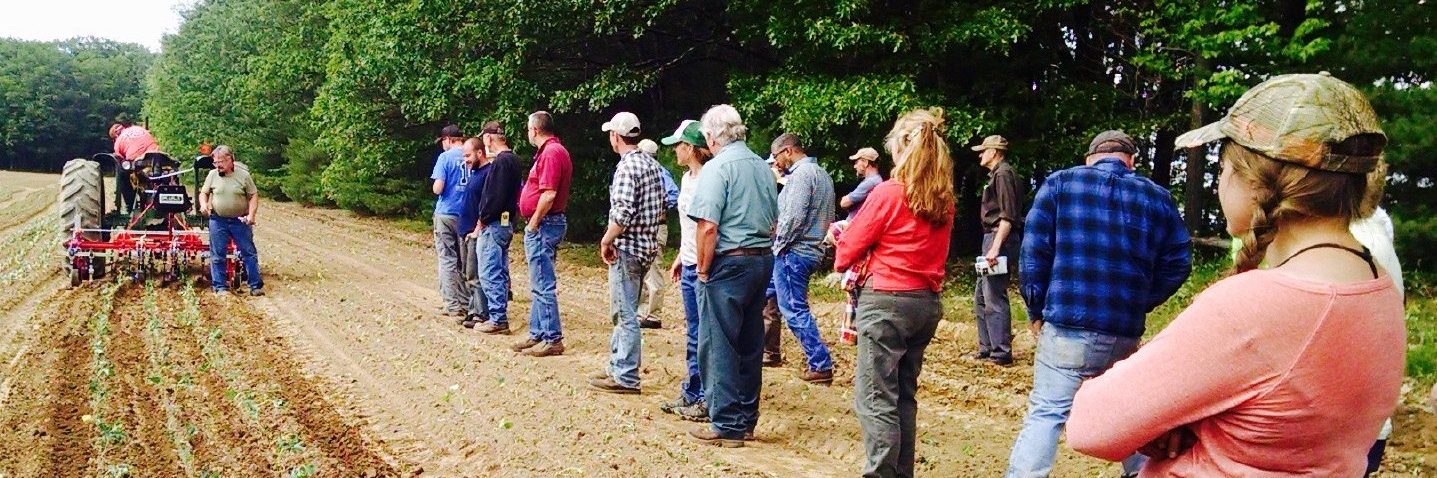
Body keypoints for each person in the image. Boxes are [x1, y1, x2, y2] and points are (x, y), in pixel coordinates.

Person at [1067, 73, 1405, 477]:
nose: (1218, 182)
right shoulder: (1377, 283)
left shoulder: (1257, 305)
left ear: (1256, 183)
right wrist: (1198, 420)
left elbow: (1090, 425)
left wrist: (1171, 422)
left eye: (1223, 167)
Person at [1005, 130, 1191, 478]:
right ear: (1131, 161)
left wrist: (1035, 310)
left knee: (1047, 414)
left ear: (1090, 158)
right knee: (1127, 414)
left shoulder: (1060, 184)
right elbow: (1179, 263)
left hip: (1066, 327)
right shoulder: (1158, 198)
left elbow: (1033, 255)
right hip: (1123, 331)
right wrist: (1141, 300)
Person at [834, 108, 955, 478]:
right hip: (926, 302)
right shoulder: (943, 200)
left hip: (886, 301)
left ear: (903, 147)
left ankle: (880, 473)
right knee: (904, 395)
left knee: (875, 396)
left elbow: (847, 250)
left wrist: (841, 240)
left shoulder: (889, 193)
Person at [685, 104, 777, 447]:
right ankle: (747, 418)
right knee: (751, 342)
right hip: (762, 260)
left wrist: (704, 270)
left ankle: (726, 423)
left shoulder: (717, 168)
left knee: (718, 343)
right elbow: (773, 221)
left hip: (728, 263)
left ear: (711, 135)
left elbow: (708, 227)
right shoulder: (762, 167)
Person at [589, 112, 668, 394]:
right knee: (626, 311)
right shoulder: (651, 164)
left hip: (628, 248)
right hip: (647, 246)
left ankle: (626, 375)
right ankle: (615, 366)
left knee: (624, 314)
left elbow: (622, 213)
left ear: (616, 136)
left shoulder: (626, 167)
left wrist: (606, 239)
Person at [768, 133, 837, 384]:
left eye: (776, 157)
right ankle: (762, 349)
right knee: (765, 295)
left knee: (794, 309)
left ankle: (820, 363)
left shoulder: (801, 176)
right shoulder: (823, 174)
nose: (776, 163)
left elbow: (793, 218)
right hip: (812, 250)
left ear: (788, 151)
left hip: (794, 252)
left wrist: (777, 246)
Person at [657, 119, 714, 420]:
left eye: (677, 146)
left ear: (690, 148)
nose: (674, 152)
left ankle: (704, 395)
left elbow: (708, 227)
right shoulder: (689, 179)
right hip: (690, 261)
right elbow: (689, 225)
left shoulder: (707, 179)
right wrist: (681, 254)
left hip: (702, 267)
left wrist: (700, 262)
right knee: (693, 332)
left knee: (701, 333)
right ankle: (693, 391)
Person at [513, 111, 573, 357]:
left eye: (528, 129)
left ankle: (552, 337)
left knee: (542, 282)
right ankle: (537, 331)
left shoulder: (550, 153)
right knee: (537, 280)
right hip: (547, 222)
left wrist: (533, 223)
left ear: (535, 130)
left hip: (545, 223)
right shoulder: (552, 151)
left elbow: (548, 194)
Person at [971, 134, 1026, 367]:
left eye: (983, 151)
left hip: (997, 238)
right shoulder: (999, 174)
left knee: (993, 295)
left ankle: (1001, 352)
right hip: (993, 238)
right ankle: (987, 347)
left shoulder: (1002, 174)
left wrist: (995, 247)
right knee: (981, 296)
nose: (980, 155)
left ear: (994, 152)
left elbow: (1007, 215)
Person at [470, 122, 522, 335]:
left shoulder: (501, 162)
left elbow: (495, 196)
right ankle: (498, 314)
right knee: (498, 270)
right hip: (506, 222)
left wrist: (483, 218)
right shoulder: (514, 160)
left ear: (489, 138)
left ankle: (497, 318)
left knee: (489, 271)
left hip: (494, 224)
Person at [199, 145, 264, 297]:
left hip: (239, 221)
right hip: (218, 220)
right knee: (217, 254)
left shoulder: (244, 176)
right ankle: (220, 287)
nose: (218, 165)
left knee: (248, 253)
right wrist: (204, 205)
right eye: (215, 162)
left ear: (230, 160)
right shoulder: (212, 175)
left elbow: (253, 195)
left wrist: (252, 215)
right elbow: (204, 192)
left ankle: (255, 286)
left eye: (220, 161)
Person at [637, 139, 681, 329]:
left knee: (653, 269)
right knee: (642, 270)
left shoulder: (659, 172)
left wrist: (659, 206)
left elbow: (674, 195)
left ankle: (653, 315)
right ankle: (642, 313)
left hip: (655, 227)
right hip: (648, 227)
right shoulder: (653, 170)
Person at [430, 124, 471, 318]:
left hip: (446, 212)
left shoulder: (445, 158)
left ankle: (452, 304)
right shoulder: (471, 154)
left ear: (448, 140)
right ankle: (466, 302)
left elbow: (438, 188)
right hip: (466, 215)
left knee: (447, 259)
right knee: (464, 261)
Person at [458, 137, 492, 328]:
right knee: (467, 273)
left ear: (480, 153)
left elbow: (486, 204)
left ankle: (481, 313)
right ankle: (473, 310)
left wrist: (477, 229)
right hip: (465, 230)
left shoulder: (488, 174)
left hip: (475, 231)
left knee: (475, 274)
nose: (466, 160)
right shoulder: (475, 172)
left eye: (468, 155)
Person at [109, 116, 162, 214]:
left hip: (137, 161)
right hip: (156, 158)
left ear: (115, 136)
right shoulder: (140, 129)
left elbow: (119, 158)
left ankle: (130, 207)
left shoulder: (119, 140)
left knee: (123, 175)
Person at [841, 147, 884, 219]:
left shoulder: (871, 182)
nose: (855, 166)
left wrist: (846, 197)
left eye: (856, 162)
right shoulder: (877, 180)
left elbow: (844, 203)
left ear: (866, 162)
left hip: (854, 226)